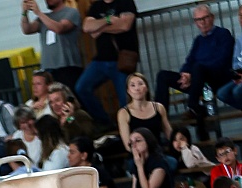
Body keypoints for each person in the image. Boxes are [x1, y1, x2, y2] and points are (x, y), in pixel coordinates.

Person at [155, 4, 234, 137]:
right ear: (195, 22)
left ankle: (193, 105)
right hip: (198, 81)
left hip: (216, 80)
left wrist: (194, 72)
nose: (202, 22)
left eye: (205, 18)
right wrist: (185, 74)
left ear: (212, 17)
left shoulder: (223, 34)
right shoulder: (198, 40)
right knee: (162, 75)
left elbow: (222, 61)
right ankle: (160, 118)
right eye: (198, 20)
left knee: (198, 67)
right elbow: (189, 61)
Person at [75, 0, 139, 129]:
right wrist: (109, 20)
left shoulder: (126, 2)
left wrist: (99, 27)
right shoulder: (96, 6)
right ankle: (104, 121)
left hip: (122, 60)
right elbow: (87, 27)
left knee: (125, 99)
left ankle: (128, 129)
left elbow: (125, 25)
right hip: (100, 60)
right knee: (81, 88)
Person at [105, 127, 178, 188]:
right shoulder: (137, 164)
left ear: (148, 142)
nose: (134, 145)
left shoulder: (159, 164)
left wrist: (140, 166)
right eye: (131, 143)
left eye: (138, 141)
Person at [117, 73, 177, 173]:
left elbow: (169, 134)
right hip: (137, 156)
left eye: (140, 84)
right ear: (128, 91)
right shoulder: (123, 113)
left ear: (147, 87)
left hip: (158, 154)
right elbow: (128, 145)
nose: (137, 88)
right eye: (133, 85)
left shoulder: (158, 107)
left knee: (171, 163)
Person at [21, 0, 83, 91]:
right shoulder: (44, 18)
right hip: (48, 67)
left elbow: (59, 28)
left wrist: (39, 13)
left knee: (69, 95)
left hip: (67, 65)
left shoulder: (71, 12)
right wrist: (24, 13)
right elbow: (27, 30)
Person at [217, 5, 242, 111]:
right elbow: (235, 62)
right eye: (240, 16)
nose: (241, 19)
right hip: (240, 76)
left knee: (237, 92)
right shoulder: (240, 40)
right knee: (222, 93)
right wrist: (237, 74)